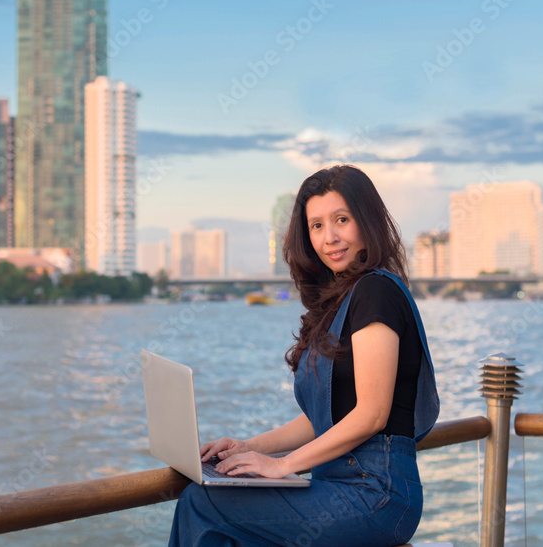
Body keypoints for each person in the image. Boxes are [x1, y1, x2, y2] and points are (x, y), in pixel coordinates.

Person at [168, 165, 440, 546]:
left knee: (204, 503)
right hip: (336, 485)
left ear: (368, 222)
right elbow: (325, 417)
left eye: (341, 220)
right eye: (316, 226)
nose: (329, 237)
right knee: (219, 504)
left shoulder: (376, 292)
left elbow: (372, 414)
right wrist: (248, 447)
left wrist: (281, 466)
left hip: (377, 494)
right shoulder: (341, 301)